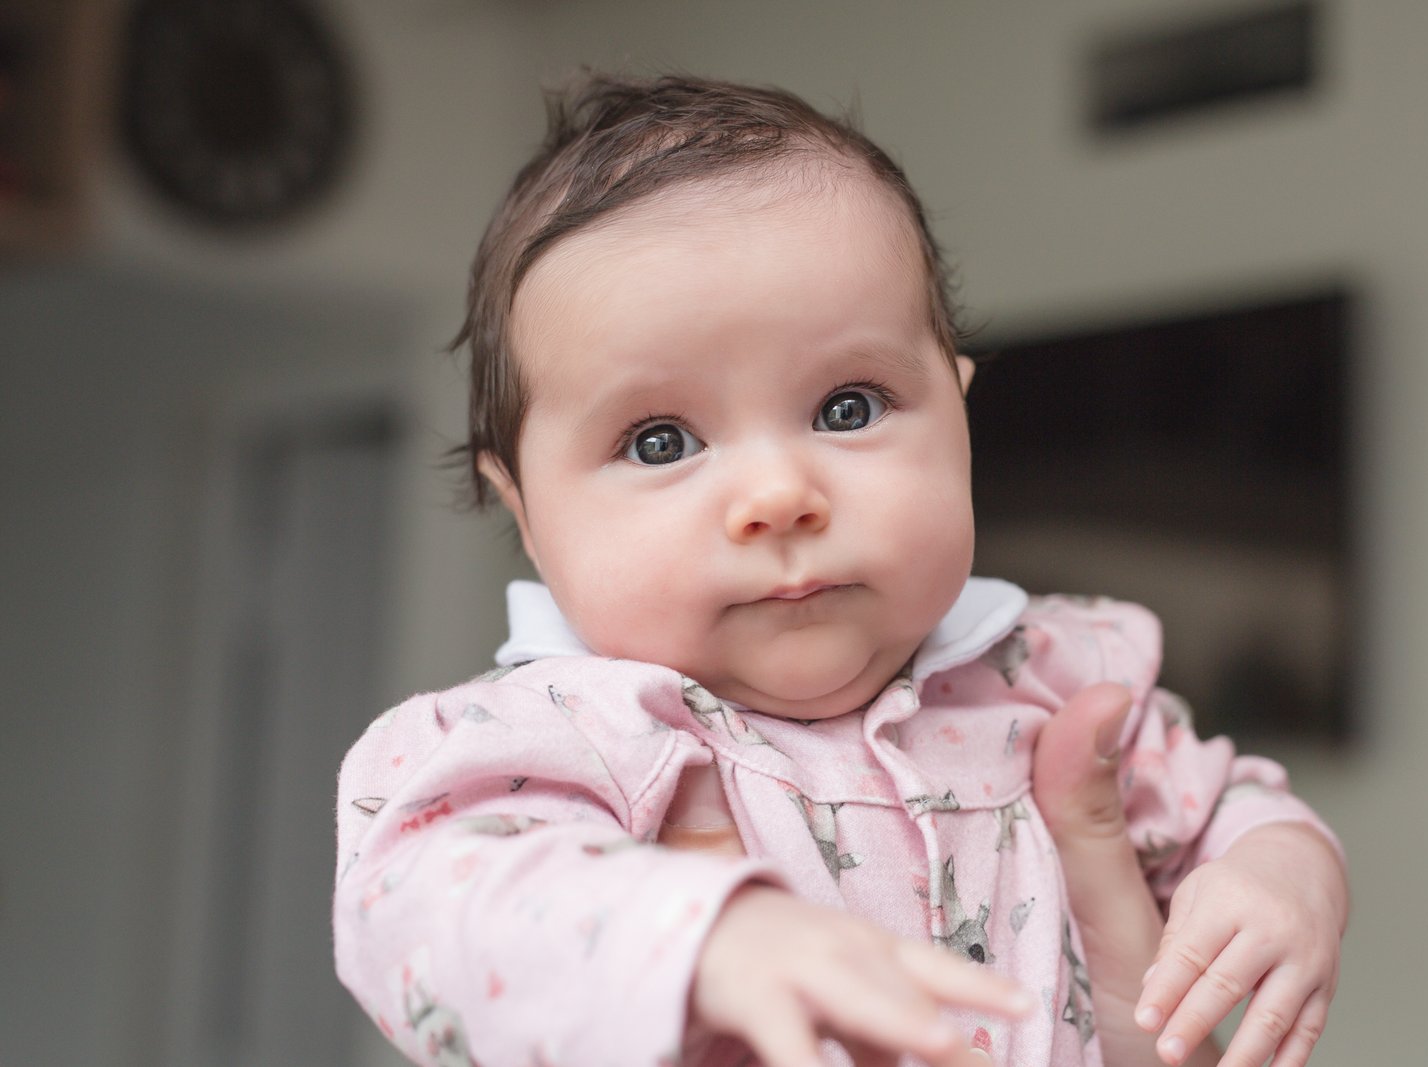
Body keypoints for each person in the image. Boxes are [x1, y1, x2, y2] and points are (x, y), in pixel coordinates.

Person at [332, 73, 1347, 1067]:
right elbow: (420, 906)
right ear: (524, 510)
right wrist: (704, 937)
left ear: (957, 415)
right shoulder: (555, 737)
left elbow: (1219, 803)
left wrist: (1283, 869)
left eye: (846, 407)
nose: (780, 493)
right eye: (659, 440)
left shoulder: (1048, 674)